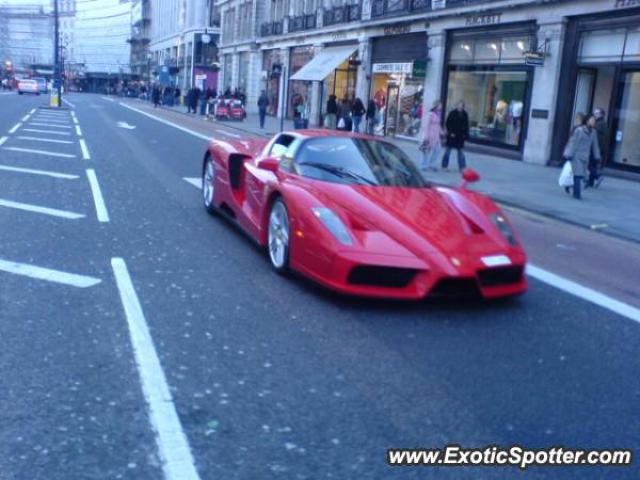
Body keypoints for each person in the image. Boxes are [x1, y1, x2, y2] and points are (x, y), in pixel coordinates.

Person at [563, 114, 600, 200]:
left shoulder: (593, 132)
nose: (593, 122)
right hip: (576, 155)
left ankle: (569, 185)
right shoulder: (579, 130)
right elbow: (573, 142)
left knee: (584, 176)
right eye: (592, 120)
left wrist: (597, 156)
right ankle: (577, 194)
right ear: (587, 121)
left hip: (586, 156)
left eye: (594, 121)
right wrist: (569, 154)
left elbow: (595, 145)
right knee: (578, 175)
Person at [442, 100, 469, 171]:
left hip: (460, 137)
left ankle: (462, 167)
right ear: (456, 105)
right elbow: (447, 123)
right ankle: (444, 166)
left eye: (461, 105)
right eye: (459, 105)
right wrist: (450, 132)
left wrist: (465, 136)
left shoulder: (465, 114)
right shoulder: (452, 113)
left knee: (461, 153)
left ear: (463, 106)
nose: (460, 106)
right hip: (452, 136)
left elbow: (466, 126)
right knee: (447, 151)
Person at [420, 100, 444, 171]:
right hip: (430, 135)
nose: (441, 106)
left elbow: (438, 124)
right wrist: (426, 136)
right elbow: (426, 125)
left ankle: (432, 164)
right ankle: (423, 165)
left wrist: (441, 132)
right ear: (436, 105)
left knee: (437, 150)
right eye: (440, 105)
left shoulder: (438, 114)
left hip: (436, 136)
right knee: (426, 151)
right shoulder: (430, 114)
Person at [587, 108, 607, 188]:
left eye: (597, 113)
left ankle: (597, 176)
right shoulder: (601, 123)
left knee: (590, 164)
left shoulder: (599, 124)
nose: (594, 114)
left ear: (601, 114)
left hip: (596, 148)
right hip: (598, 148)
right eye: (594, 112)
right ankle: (590, 181)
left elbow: (596, 137)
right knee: (593, 164)